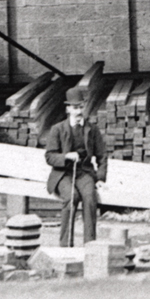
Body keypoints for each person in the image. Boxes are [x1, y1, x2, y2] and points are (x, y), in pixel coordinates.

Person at [44, 87, 108, 246]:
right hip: (62, 174)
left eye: (81, 107)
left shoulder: (92, 129)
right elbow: (49, 156)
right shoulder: (57, 129)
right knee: (72, 197)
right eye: (75, 107)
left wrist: (100, 178)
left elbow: (102, 156)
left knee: (90, 197)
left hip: (84, 172)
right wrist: (65, 156)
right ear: (68, 109)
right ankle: (65, 245)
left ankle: (90, 245)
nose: (79, 111)